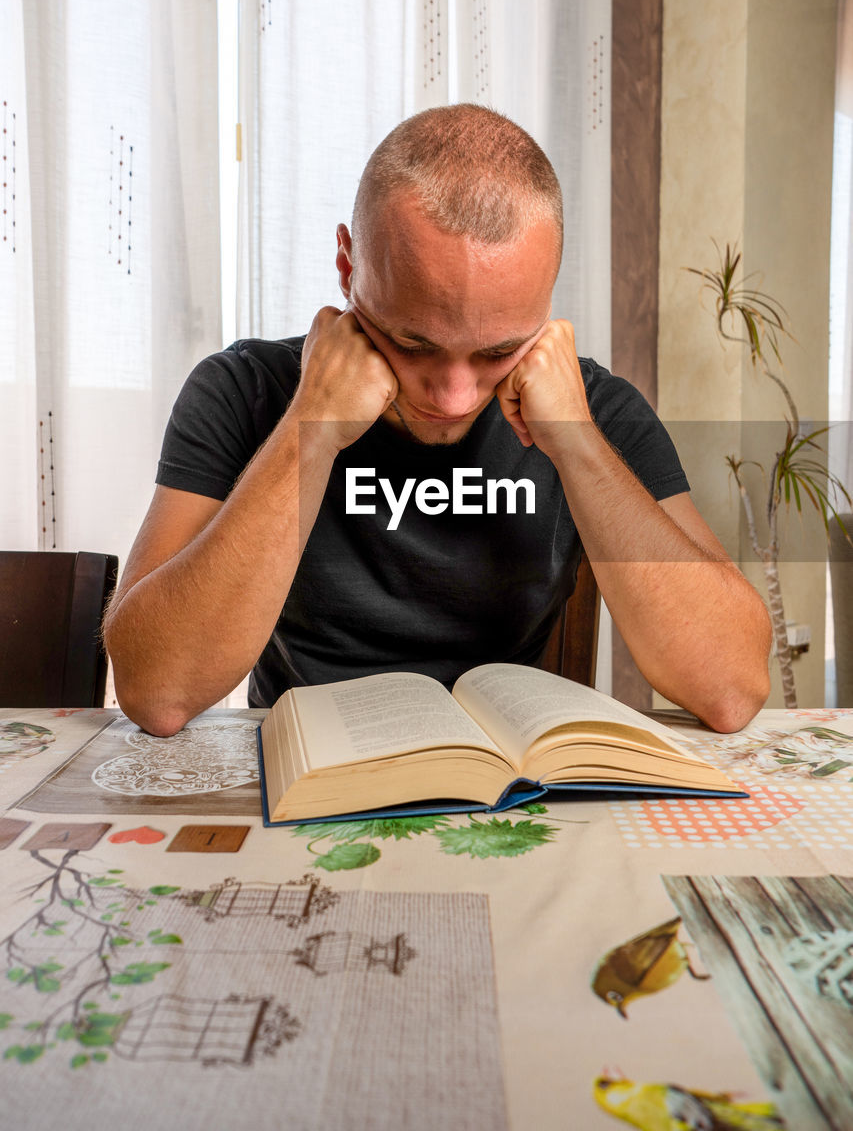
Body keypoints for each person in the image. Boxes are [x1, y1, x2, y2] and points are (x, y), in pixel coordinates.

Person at [104, 104, 771, 737]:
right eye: (413, 344)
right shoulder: (243, 391)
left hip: (509, 785)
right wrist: (311, 428)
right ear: (346, 265)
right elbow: (156, 692)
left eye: (497, 351)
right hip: (305, 772)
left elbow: (730, 689)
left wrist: (575, 443)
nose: (452, 397)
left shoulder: (594, 410)